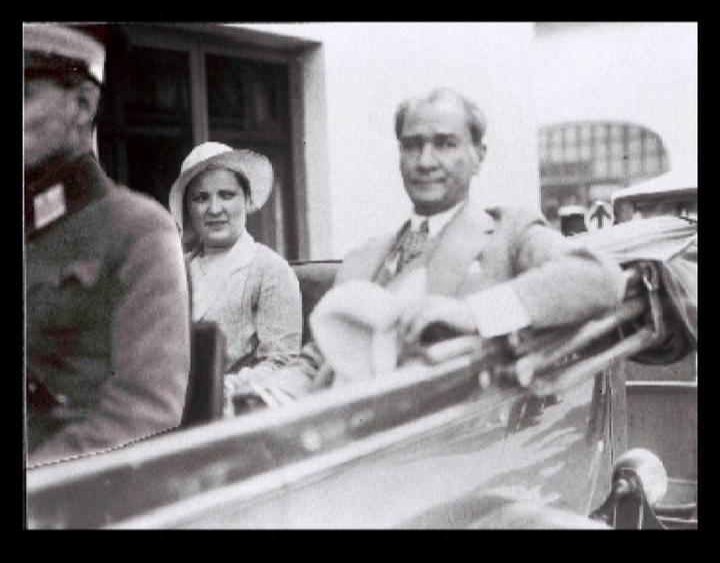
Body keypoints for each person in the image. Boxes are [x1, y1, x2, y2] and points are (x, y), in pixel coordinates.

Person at [250, 87, 627, 399]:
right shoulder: (363, 258)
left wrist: (473, 314)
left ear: (479, 156)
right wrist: (265, 393)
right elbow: (315, 361)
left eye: (445, 144)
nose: (425, 161)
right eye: (412, 145)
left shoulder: (508, 233)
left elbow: (600, 276)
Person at [24, 24, 191, 466]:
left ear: (82, 105)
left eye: (23, 95)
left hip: (71, 491)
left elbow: (143, 417)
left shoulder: (139, 232)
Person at [168, 142, 302, 412]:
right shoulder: (175, 271)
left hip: (237, 407)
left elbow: (281, 363)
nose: (214, 209)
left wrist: (219, 389)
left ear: (247, 199)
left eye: (227, 195)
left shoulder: (269, 270)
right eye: (201, 198)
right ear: (188, 208)